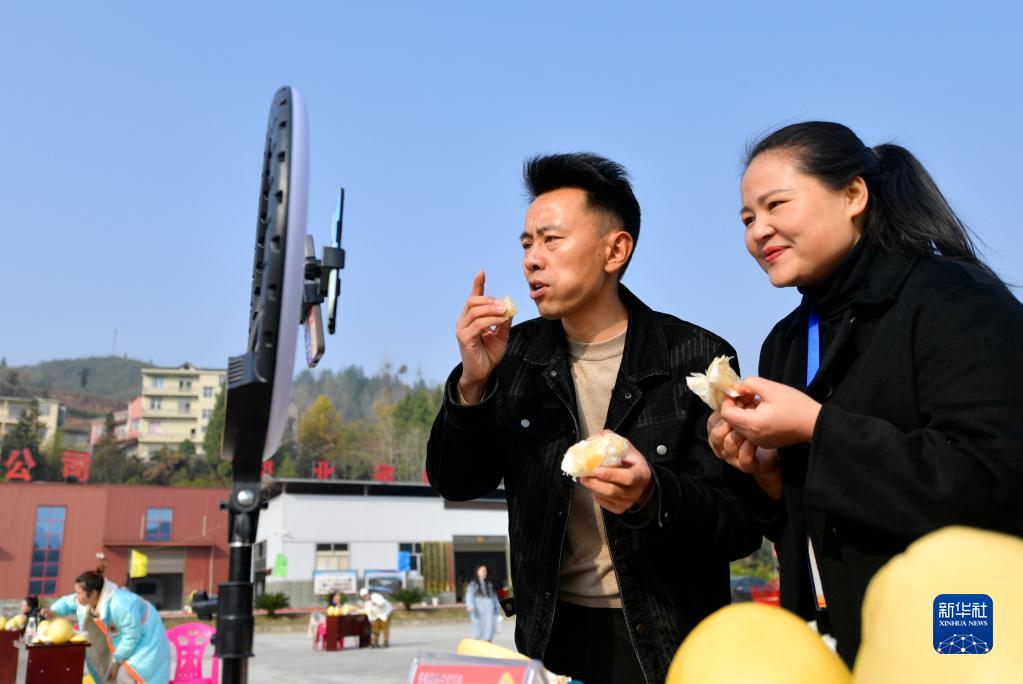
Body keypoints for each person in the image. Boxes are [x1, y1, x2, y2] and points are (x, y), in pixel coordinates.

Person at [427, 152, 763, 683]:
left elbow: (740, 525)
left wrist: (652, 495)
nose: (532, 260)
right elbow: (456, 481)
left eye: (551, 240)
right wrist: (473, 384)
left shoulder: (694, 358)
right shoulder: (512, 359)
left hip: (668, 639)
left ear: (615, 250)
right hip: (553, 636)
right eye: (526, 243)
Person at [710, 121, 1023, 667]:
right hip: (837, 639)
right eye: (747, 219)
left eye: (776, 205)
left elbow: (991, 480)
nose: (759, 231)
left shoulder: (956, 298)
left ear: (854, 194)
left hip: (957, 633)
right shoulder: (785, 341)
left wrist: (816, 427)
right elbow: (802, 525)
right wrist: (766, 472)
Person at [48, 567, 170, 683]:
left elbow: (131, 636)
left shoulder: (121, 605)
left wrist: (117, 662)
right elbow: (67, 602)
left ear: (93, 593)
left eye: (79, 593)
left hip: (148, 640)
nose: (76, 597)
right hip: (128, 640)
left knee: (125, 675)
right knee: (109, 676)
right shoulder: (87, 599)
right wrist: (53, 611)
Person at [465, 564, 500, 641]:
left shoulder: (489, 584)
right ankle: (479, 641)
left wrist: (497, 607)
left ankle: (488, 641)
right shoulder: (473, 584)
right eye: (483, 571)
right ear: (477, 572)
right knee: (478, 627)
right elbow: (469, 595)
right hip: (478, 610)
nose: (485, 573)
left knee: (489, 626)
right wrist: (471, 606)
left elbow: (494, 597)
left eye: (485, 571)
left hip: (489, 610)